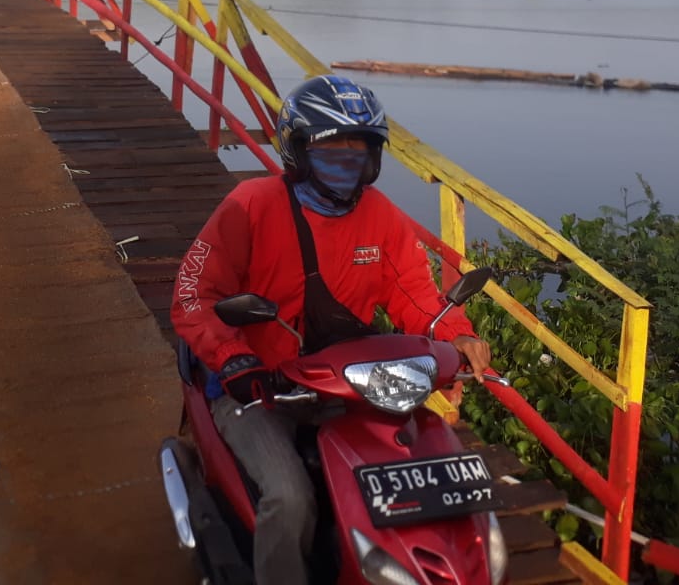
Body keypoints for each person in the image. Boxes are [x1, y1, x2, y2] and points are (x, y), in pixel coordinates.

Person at [172, 74, 492, 585]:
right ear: (299, 150)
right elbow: (193, 295)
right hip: (257, 388)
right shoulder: (251, 205)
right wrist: (233, 357)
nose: (347, 160)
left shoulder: (381, 217)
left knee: (421, 470)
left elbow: (418, 297)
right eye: (331, 147)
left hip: (345, 381)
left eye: (358, 148)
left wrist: (455, 334)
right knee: (290, 496)